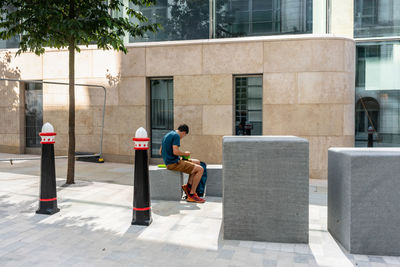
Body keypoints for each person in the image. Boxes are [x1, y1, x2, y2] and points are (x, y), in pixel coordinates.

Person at [159, 124, 205, 203]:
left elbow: (160, 152)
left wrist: (170, 157)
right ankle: (192, 195)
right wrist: (185, 154)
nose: (182, 137)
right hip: (174, 163)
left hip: (171, 161)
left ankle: (188, 187)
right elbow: (175, 151)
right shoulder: (176, 136)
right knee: (200, 169)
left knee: (197, 162)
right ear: (184, 132)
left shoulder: (168, 134)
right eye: (184, 136)